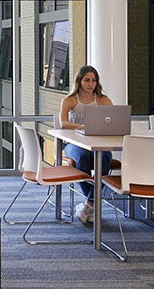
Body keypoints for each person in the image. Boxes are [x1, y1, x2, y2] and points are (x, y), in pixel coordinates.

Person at [59, 65, 113, 225]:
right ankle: (92, 203)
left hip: (97, 142)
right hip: (74, 143)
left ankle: (88, 204)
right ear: (79, 81)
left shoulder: (104, 100)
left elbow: (113, 121)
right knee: (82, 158)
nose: (90, 84)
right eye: (87, 80)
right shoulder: (69, 100)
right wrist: (84, 127)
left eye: (94, 80)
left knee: (105, 157)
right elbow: (63, 123)